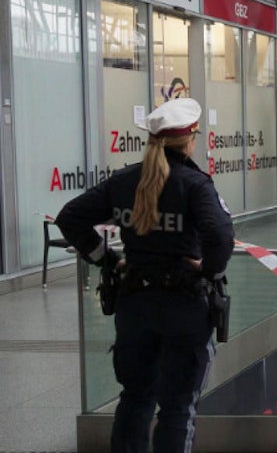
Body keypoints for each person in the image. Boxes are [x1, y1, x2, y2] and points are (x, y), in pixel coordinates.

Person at [56, 98, 234, 453]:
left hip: (134, 305)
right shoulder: (195, 185)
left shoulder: (123, 181)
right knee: (177, 409)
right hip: (184, 305)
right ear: (189, 140)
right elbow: (221, 237)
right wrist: (209, 270)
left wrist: (107, 261)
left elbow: (69, 218)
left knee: (135, 399)